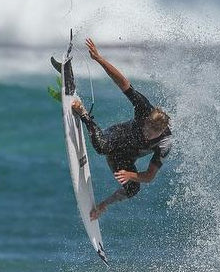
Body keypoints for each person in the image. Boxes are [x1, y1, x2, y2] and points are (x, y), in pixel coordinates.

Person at [72, 38, 172, 220]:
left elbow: (150, 176)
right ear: (147, 119)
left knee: (133, 189)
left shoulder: (165, 143)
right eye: (146, 130)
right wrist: (99, 59)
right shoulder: (144, 108)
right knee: (102, 148)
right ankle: (85, 114)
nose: (147, 136)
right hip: (116, 137)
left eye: (152, 135)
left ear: (161, 131)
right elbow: (122, 82)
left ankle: (103, 205)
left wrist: (130, 174)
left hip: (124, 159)